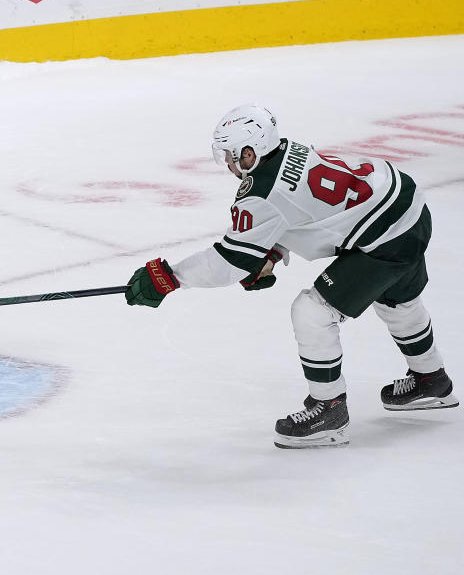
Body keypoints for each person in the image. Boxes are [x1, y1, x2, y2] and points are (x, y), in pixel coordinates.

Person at [124, 104, 457, 449]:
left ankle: (328, 409)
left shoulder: (261, 193)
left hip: (387, 235)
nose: (227, 163)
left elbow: (230, 261)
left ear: (250, 153)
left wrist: (169, 277)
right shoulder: (288, 150)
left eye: (230, 154)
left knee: (311, 312)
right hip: (406, 205)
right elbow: (302, 212)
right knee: (397, 301)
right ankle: (431, 379)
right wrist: (271, 252)